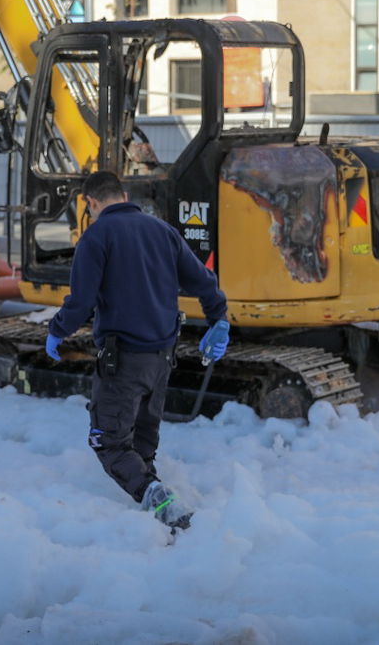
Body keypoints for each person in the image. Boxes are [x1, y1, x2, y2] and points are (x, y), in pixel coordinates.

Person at [44, 171, 231, 531]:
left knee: (111, 443)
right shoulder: (163, 231)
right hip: (161, 359)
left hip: (122, 362)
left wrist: (57, 331)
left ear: (91, 202)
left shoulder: (95, 236)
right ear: (124, 194)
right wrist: (219, 319)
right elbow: (204, 281)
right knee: (141, 447)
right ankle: (162, 521)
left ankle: (157, 499)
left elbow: (81, 300)